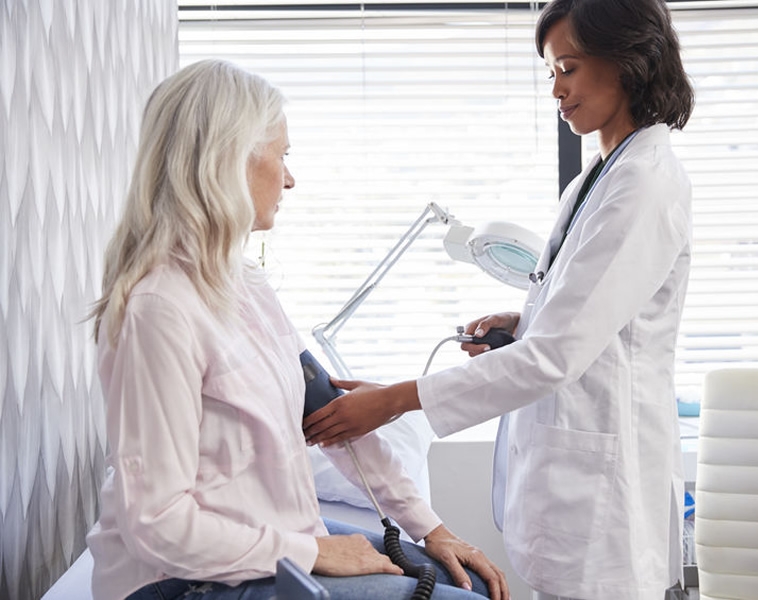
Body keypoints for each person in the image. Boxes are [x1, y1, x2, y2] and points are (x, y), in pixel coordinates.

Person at [303, 1, 695, 599]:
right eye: (550, 74)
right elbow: (592, 315)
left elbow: (556, 356)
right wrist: (526, 317)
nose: (556, 90)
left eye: (568, 68)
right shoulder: (596, 178)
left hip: (603, 491)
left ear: (627, 62)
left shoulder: (644, 183)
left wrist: (394, 402)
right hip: (569, 476)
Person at [86, 59, 509, 600]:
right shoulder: (158, 309)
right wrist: (315, 552)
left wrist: (433, 529)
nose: (289, 177)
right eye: (282, 155)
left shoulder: (245, 286)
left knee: (466, 579)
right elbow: (157, 524)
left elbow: (329, 416)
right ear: (229, 159)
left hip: (274, 542)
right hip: (182, 580)